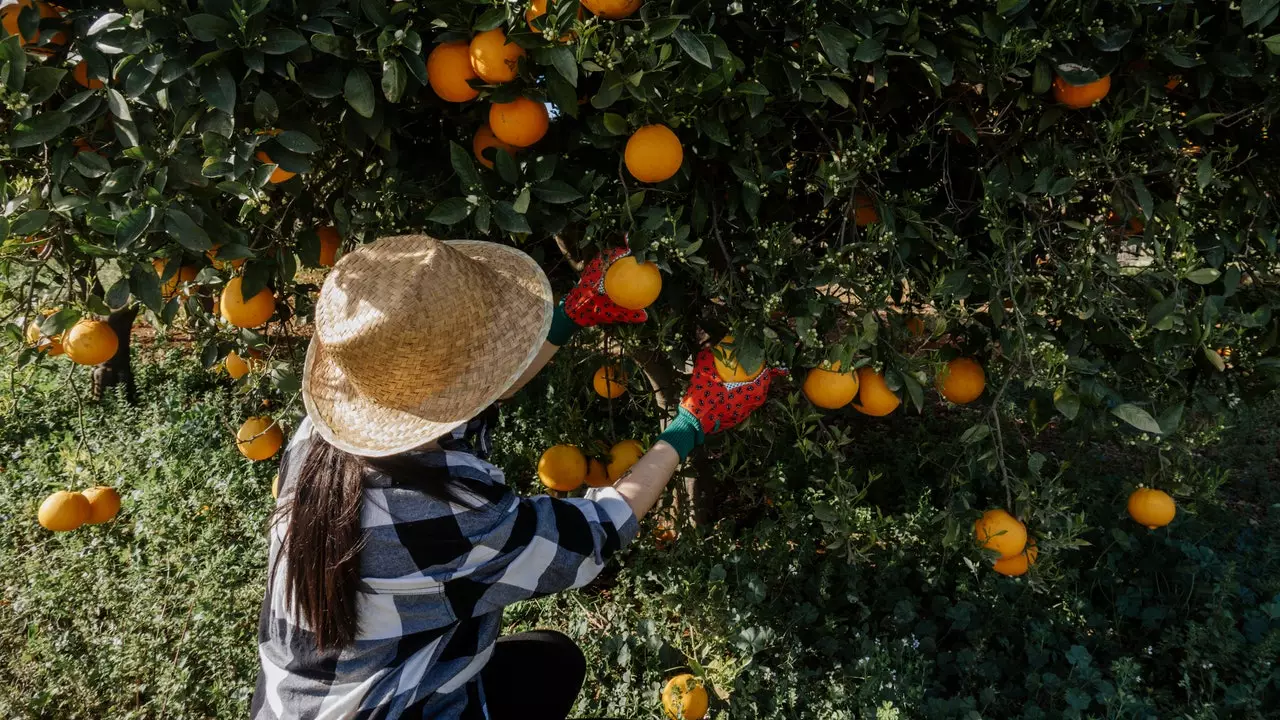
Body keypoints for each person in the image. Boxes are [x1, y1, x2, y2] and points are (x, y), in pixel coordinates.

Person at [250, 235, 781, 720]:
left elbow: (467, 398)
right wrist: (689, 426)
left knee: (551, 663)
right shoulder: (447, 515)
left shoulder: (324, 437)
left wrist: (570, 319)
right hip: (389, 708)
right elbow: (596, 531)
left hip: (294, 701)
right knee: (548, 670)